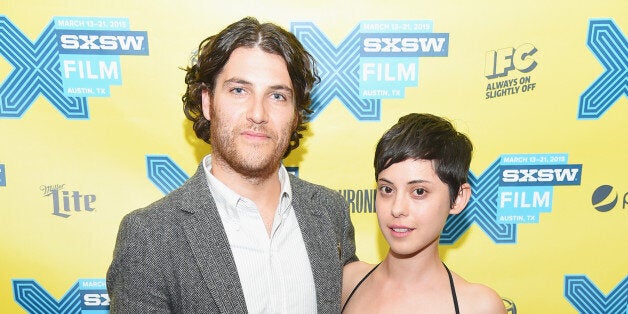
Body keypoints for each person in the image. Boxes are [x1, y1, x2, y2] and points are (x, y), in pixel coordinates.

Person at [106, 17, 357, 313]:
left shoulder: (330, 212)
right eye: (239, 90)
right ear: (208, 102)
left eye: (277, 96)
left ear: (295, 114)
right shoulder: (150, 235)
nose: (258, 113)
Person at [341, 113, 506, 313]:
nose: (397, 209)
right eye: (387, 189)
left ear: (458, 198)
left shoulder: (477, 306)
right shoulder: (348, 282)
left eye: (419, 192)